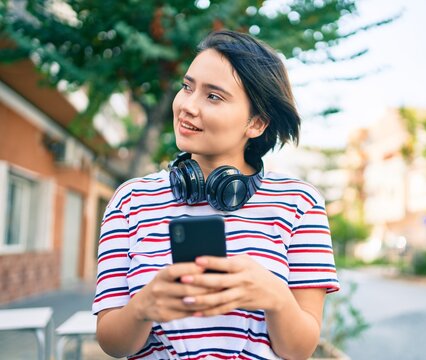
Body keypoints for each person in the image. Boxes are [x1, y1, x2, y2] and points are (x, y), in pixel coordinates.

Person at [93, 30, 340, 360]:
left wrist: (276, 297)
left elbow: (299, 350)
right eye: (187, 87)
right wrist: (143, 307)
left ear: (256, 123)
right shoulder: (130, 200)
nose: (187, 106)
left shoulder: (300, 203)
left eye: (213, 96)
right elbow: (112, 343)